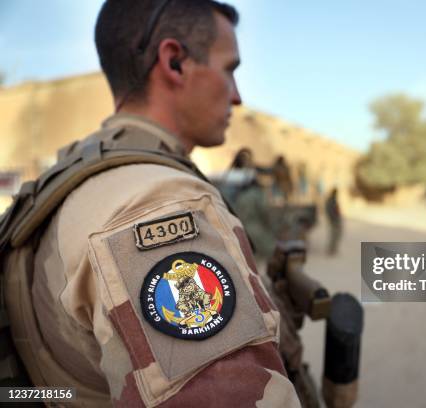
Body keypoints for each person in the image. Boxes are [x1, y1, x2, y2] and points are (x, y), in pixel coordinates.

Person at [2, 1, 300, 406]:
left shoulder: (73, 174)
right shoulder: (162, 203)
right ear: (174, 62)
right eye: (229, 70)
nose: (237, 97)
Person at [325, 188, 342, 255]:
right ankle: (331, 250)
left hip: (334, 220)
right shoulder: (332, 201)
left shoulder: (331, 200)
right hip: (334, 220)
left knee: (335, 235)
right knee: (334, 235)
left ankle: (332, 249)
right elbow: (332, 211)